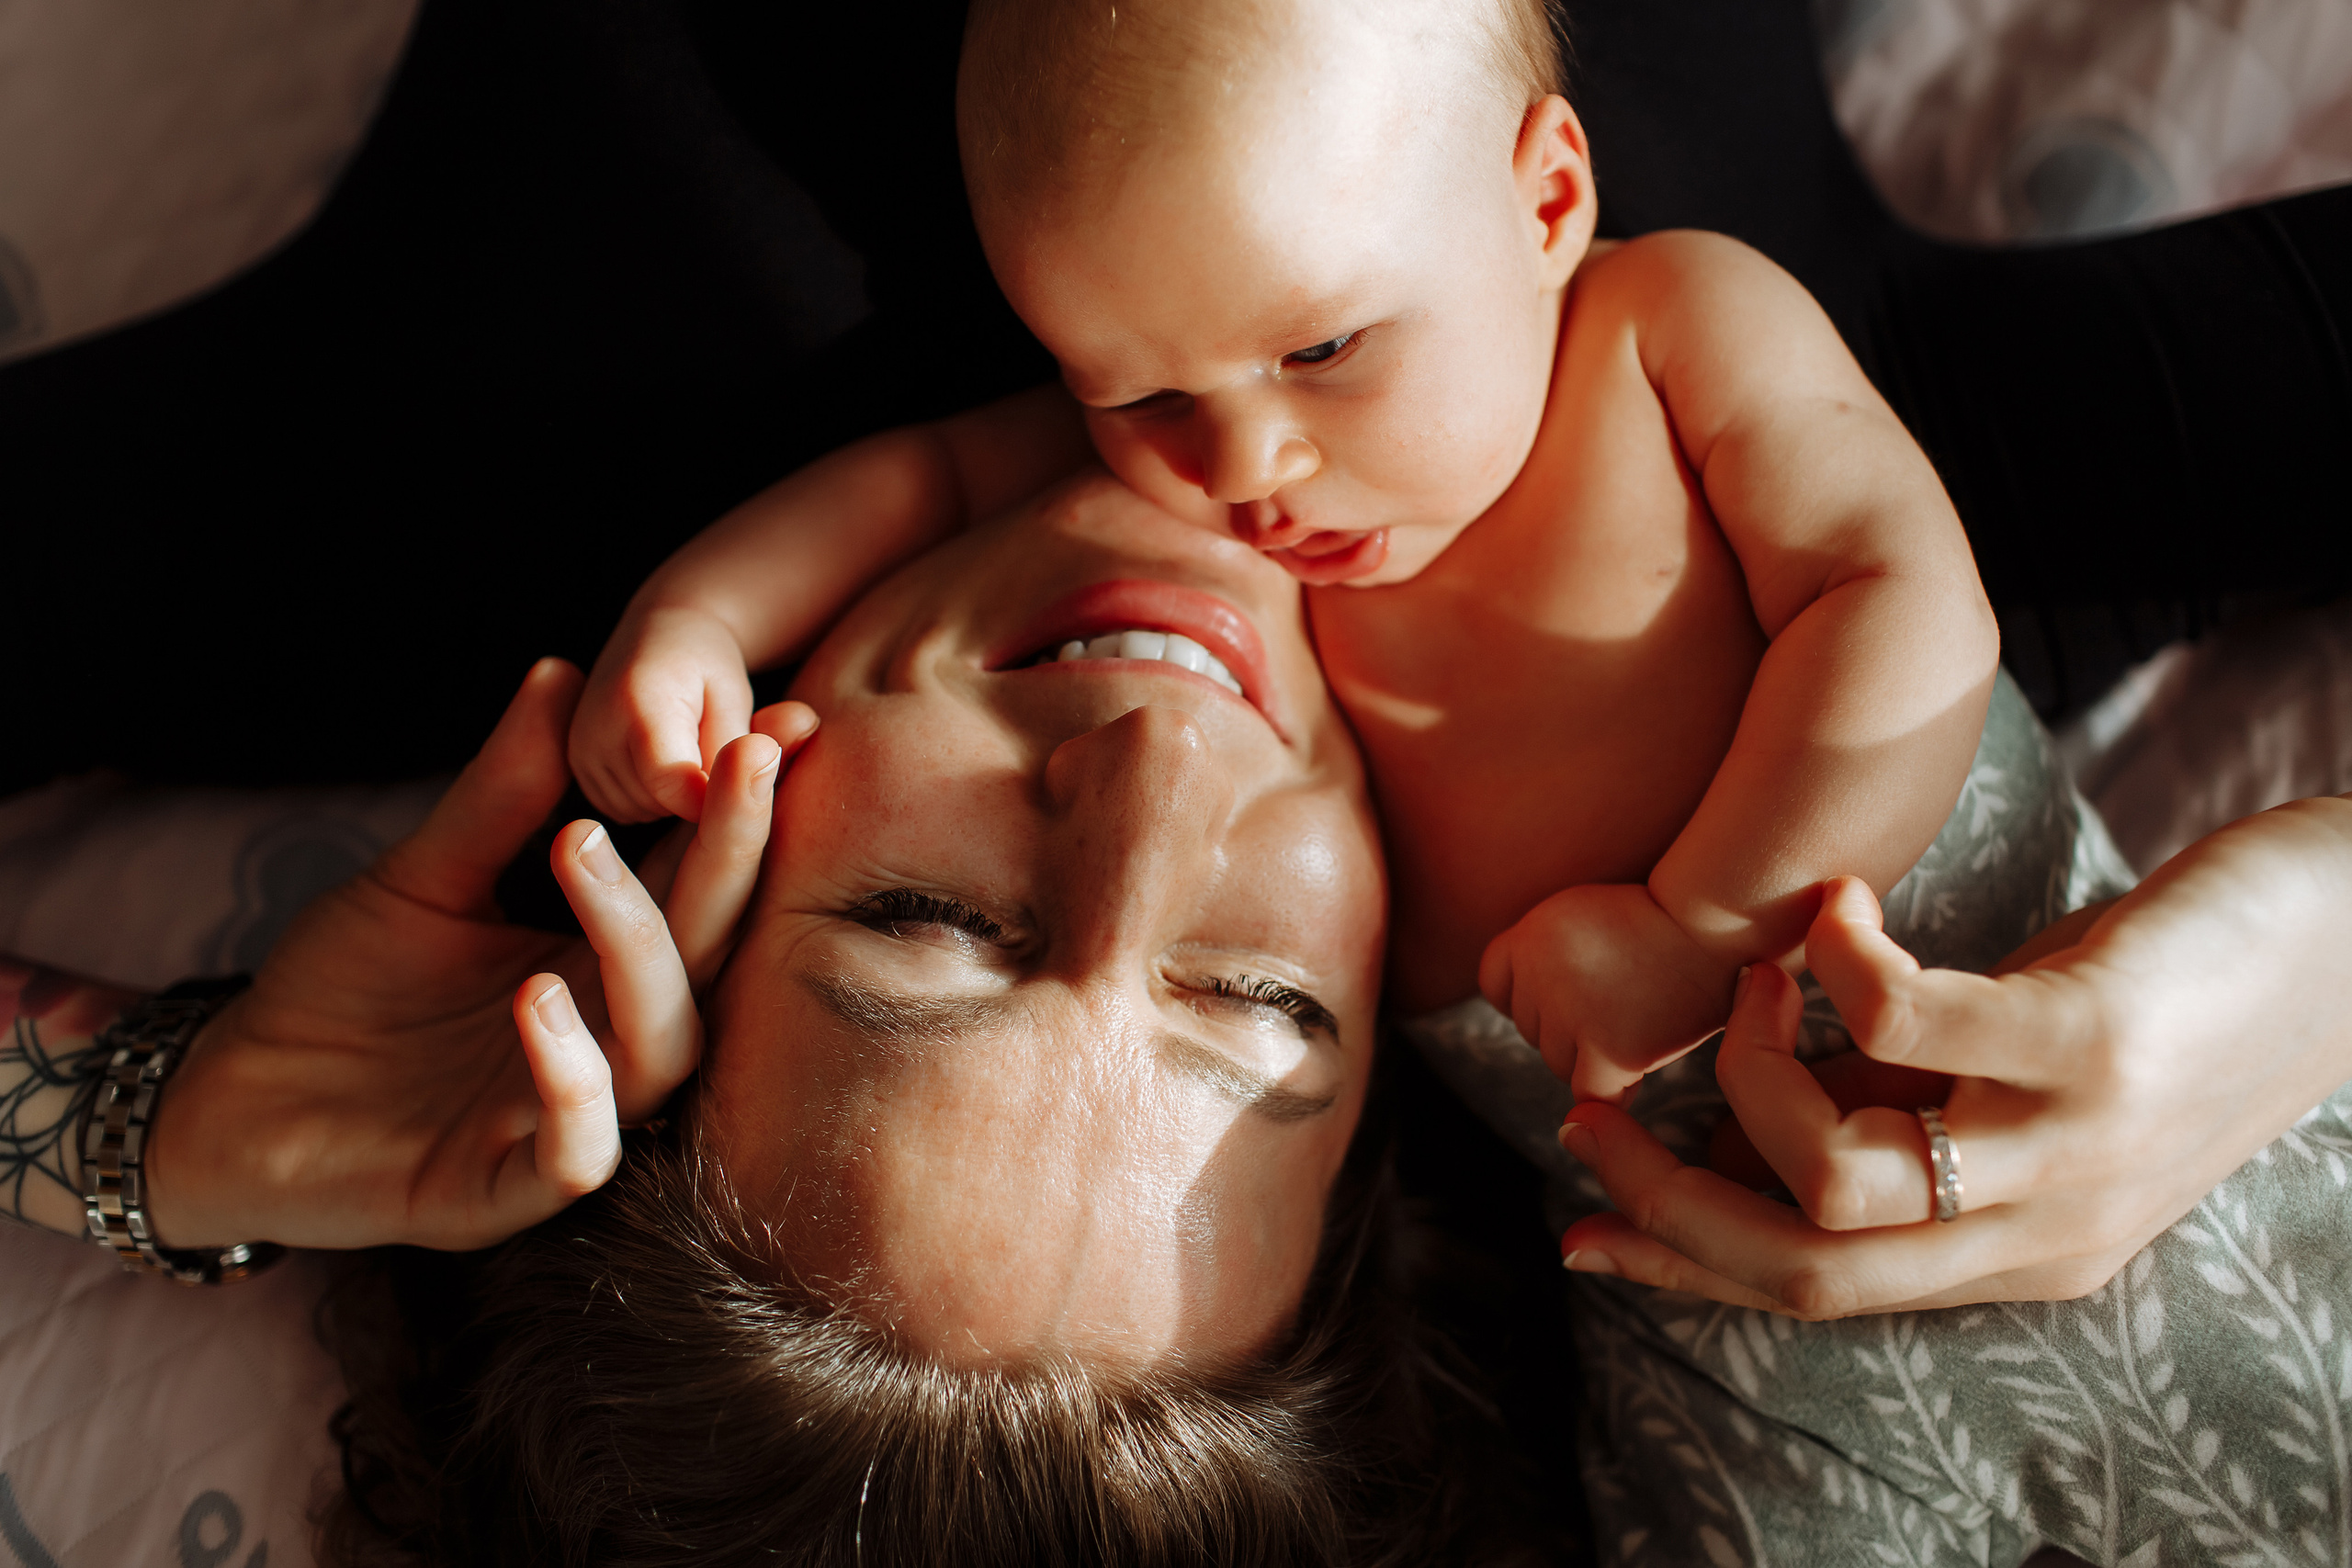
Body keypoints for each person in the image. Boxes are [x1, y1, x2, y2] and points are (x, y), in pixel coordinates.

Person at [569, 0, 2000, 1112]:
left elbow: (1903, 603)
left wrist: (1702, 929)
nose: (1241, 468)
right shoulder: (1201, 509)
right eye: (1136, 395)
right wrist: (698, 614)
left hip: (1942, 956)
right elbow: (930, 475)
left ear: (1549, 203)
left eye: (1323, 349)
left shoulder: (1670, 330)